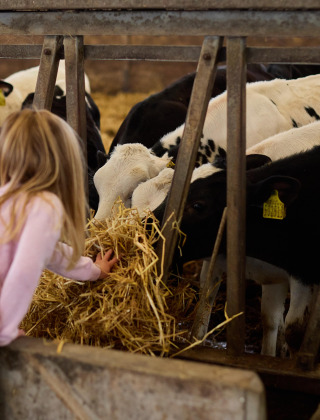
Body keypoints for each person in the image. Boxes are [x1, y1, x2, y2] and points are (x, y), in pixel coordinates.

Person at [0, 108, 118, 346]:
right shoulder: (45, 205)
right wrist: (5, 330)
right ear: (65, 162)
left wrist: (94, 271)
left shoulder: (6, 196)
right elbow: (25, 269)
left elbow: (50, 253)